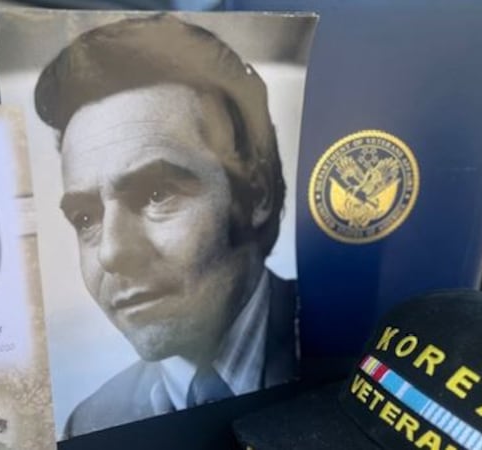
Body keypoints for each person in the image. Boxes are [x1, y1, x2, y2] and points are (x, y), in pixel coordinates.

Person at [34, 14, 298, 437]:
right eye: (86, 219)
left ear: (258, 192)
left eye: (157, 194)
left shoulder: (345, 348)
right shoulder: (91, 423)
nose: (112, 252)